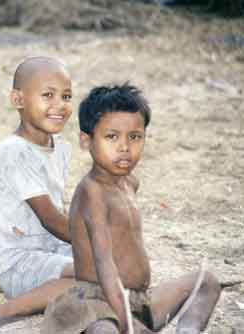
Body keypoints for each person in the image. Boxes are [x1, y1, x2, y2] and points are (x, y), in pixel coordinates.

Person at [42, 84, 221, 334]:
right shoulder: (92, 192)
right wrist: (126, 326)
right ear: (86, 141)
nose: (124, 147)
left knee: (208, 282)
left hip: (138, 300)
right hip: (97, 303)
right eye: (112, 137)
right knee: (105, 331)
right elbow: (105, 266)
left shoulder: (129, 183)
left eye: (134, 137)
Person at [0, 56, 76, 334]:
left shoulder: (60, 148)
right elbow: (50, 218)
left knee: (107, 273)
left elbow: (58, 210)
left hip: (49, 249)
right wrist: (94, 244)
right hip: (16, 261)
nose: (59, 105)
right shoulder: (14, 151)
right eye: (47, 95)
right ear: (18, 99)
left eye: (66, 96)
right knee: (97, 274)